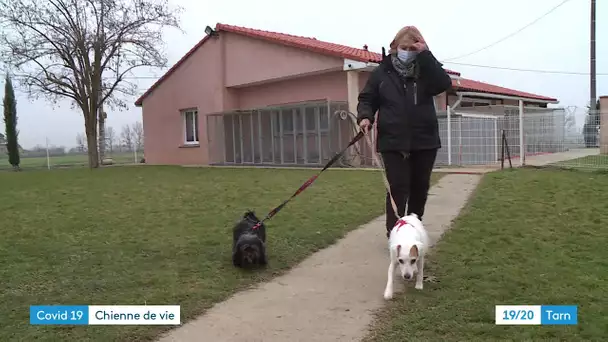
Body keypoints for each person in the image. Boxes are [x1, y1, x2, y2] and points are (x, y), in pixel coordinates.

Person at [357, 26, 452, 238]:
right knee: (398, 188)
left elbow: (444, 84)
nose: (407, 51)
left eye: (412, 47)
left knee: (419, 189)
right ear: (394, 47)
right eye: (404, 47)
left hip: (424, 141)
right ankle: (395, 234)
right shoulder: (382, 73)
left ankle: (414, 231)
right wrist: (365, 116)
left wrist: (426, 54)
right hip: (392, 141)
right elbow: (367, 98)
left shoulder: (425, 70)